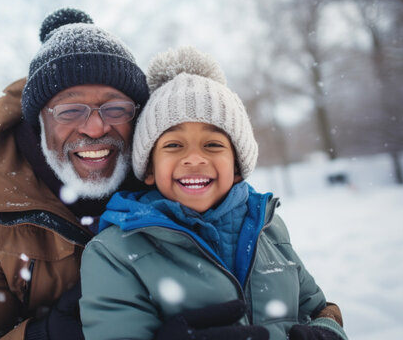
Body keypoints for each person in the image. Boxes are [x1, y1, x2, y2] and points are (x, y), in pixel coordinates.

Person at [80, 46, 348, 340]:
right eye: (173, 145)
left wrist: (327, 332)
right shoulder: (115, 253)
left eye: (213, 145)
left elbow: (318, 309)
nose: (194, 158)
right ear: (149, 169)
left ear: (237, 166)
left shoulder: (268, 228)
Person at [0, 8, 150, 339]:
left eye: (115, 108)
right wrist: (44, 335)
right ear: (39, 122)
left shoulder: (173, 179)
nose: (95, 127)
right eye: (70, 110)